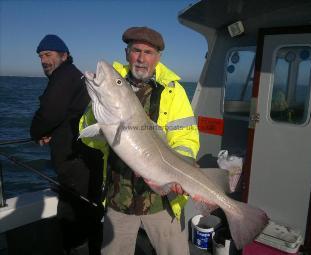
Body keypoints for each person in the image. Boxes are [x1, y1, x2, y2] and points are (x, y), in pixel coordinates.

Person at [79, 26, 200, 255]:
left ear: (158, 57)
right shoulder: (106, 93)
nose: (141, 59)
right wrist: (98, 114)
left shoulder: (173, 91)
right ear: (127, 53)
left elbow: (186, 137)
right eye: (136, 51)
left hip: (161, 202)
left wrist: (180, 171)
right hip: (119, 199)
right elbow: (89, 139)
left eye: (148, 52)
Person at [30, 34, 104, 255]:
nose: (44, 60)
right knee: (90, 211)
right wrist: (51, 131)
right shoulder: (73, 75)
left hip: (75, 162)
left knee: (74, 215)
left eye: (48, 54)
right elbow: (67, 113)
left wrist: (36, 133)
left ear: (64, 56)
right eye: (41, 56)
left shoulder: (63, 76)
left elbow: (49, 113)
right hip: (85, 159)